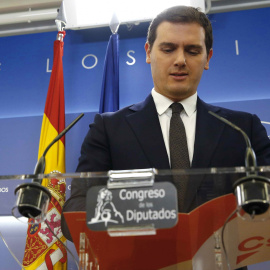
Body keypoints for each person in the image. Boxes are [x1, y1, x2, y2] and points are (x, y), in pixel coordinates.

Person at [61, 6, 270, 269]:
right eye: (168, 49)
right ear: (149, 53)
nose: (180, 60)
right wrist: (143, 211)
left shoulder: (242, 128)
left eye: (193, 50)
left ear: (208, 57)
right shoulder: (109, 129)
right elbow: (75, 211)